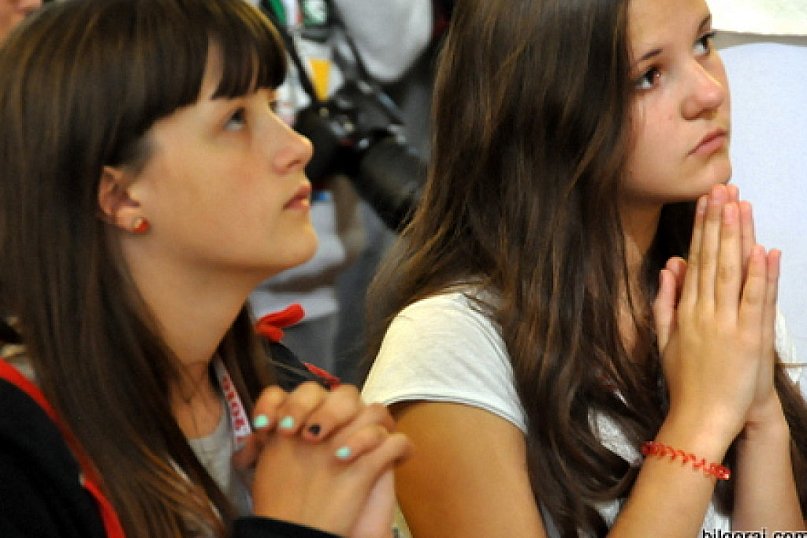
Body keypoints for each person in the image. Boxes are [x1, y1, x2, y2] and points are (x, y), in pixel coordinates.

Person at [361, 0, 807, 536]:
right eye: (649, 75)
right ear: (546, 108)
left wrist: (761, 421)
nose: (709, 92)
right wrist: (703, 418)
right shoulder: (449, 345)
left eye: (702, 43)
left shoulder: (712, 302)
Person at [0, 0, 411, 537]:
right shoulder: (17, 445)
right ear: (120, 195)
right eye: (235, 119)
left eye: (273, 106)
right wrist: (291, 529)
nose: (298, 146)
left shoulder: (290, 399)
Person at [248, 0, 432, 381]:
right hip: (212, 275)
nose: (299, 149)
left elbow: (393, 51)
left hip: (319, 261)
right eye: (236, 118)